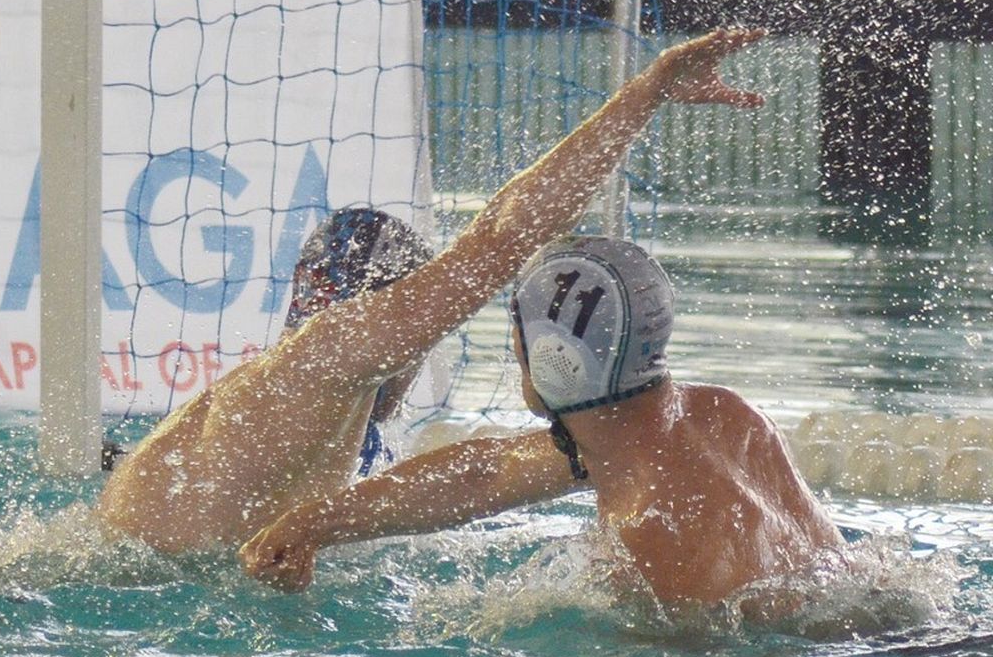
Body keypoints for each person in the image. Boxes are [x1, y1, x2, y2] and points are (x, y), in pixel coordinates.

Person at [97, 28, 767, 553]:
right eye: (418, 332)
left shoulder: (293, 401)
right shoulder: (332, 351)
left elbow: (489, 474)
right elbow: (499, 240)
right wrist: (645, 93)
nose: (418, 355)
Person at [238, 235, 845, 613]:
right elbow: (486, 472)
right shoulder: (724, 415)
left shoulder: (653, 531)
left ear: (557, 357)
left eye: (518, 333)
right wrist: (313, 522)